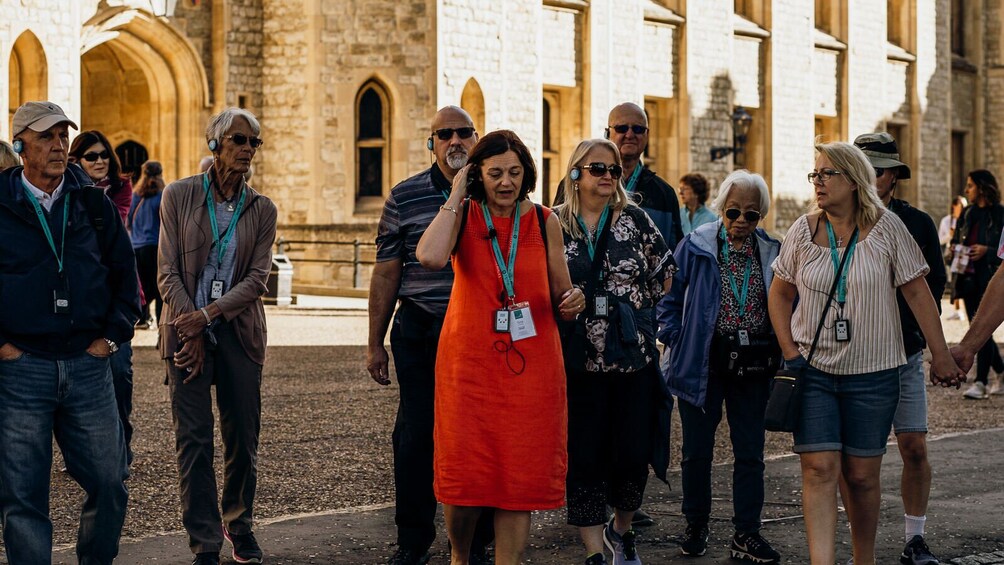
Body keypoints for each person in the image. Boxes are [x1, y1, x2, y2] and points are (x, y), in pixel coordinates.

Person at [768, 141, 964, 565]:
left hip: (874, 373)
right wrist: (789, 350)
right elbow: (780, 293)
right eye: (814, 174)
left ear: (854, 181)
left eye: (827, 174)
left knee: (860, 476)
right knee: (819, 469)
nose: (818, 182)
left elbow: (918, 291)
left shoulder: (889, 227)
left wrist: (941, 354)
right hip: (813, 368)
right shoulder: (802, 230)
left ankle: (864, 559)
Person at [416, 129, 584, 565]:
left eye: (513, 172)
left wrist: (574, 301)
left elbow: (564, 296)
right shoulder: (463, 215)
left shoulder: (544, 220)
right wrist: (456, 193)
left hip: (531, 368)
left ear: (526, 173)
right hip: (467, 368)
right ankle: (459, 556)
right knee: (465, 472)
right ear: (478, 175)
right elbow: (431, 257)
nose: (505, 182)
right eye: (494, 173)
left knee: (518, 472)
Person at [0, 101, 139, 564]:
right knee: (23, 496)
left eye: (63, 135)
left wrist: (111, 339)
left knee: (109, 479)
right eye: (46, 137)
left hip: (87, 365)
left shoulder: (92, 204)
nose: (59, 145)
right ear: (20, 145)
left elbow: (126, 277)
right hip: (22, 370)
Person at [368, 106, 495, 565]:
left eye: (464, 133)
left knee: (478, 434)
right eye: (445, 134)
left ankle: (476, 541)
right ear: (432, 143)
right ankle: (413, 540)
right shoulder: (405, 196)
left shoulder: (495, 191)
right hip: (422, 327)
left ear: (476, 138)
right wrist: (373, 343)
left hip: (481, 332)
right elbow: (386, 274)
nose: (455, 141)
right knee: (417, 434)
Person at [158, 107, 277, 565]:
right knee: (193, 439)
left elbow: (257, 280)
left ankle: (239, 523)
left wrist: (205, 317)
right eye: (239, 140)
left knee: (243, 436)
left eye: (254, 143)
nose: (247, 150)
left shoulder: (262, 208)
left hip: (237, 332)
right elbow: (167, 272)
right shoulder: (179, 195)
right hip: (183, 330)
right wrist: (189, 327)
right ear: (215, 143)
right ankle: (205, 540)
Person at [556, 139, 673, 565]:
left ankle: (621, 531)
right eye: (597, 168)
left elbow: (665, 274)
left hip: (632, 360)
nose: (608, 175)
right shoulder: (554, 225)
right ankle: (593, 553)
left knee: (631, 452)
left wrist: (634, 312)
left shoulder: (636, 220)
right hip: (577, 362)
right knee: (583, 453)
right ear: (575, 174)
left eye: (613, 170)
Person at [658, 170, 781, 563]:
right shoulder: (695, 246)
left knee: (750, 452)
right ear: (720, 210)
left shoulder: (773, 252)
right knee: (696, 452)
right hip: (703, 363)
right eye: (733, 212)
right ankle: (696, 525)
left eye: (751, 214)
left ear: (760, 215)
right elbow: (669, 294)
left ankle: (747, 532)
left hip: (754, 366)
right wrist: (675, 335)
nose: (741, 221)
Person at [853, 132, 946, 565]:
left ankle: (914, 537)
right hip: (851, 355)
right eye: (864, 167)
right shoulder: (832, 220)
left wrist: (927, 342)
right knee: (857, 460)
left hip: (903, 352)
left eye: (880, 169)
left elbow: (932, 286)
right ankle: (861, 547)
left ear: (894, 176)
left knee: (914, 445)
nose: (872, 177)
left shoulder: (918, 222)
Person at [68, 129, 138, 465]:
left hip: (116, 298)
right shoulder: (67, 191)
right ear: (77, 161)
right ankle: (84, 452)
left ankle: (121, 445)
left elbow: (111, 226)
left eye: (103, 155)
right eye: (91, 156)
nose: (100, 161)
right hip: (83, 298)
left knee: (119, 375)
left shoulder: (120, 191)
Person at [950, 170, 1004, 399]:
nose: (966, 190)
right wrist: (955, 249)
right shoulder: (968, 212)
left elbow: (1000, 257)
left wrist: (987, 251)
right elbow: (955, 239)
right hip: (968, 278)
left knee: (985, 332)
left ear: (982, 187)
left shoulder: (1000, 213)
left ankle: (982, 380)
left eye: (970, 185)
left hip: (988, 275)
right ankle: (999, 372)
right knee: (980, 329)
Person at [128, 160, 166, 328]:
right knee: (160, 288)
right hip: (156, 246)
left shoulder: (136, 195)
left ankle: (143, 318)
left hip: (137, 246)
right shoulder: (163, 194)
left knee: (141, 285)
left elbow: (128, 219)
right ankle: (161, 323)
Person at [939, 195, 968, 321]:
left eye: (963, 206)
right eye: (959, 206)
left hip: (966, 255)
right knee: (954, 282)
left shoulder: (967, 219)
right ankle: (957, 310)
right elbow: (940, 240)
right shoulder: (946, 221)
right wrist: (950, 236)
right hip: (951, 256)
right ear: (953, 206)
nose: (960, 209)